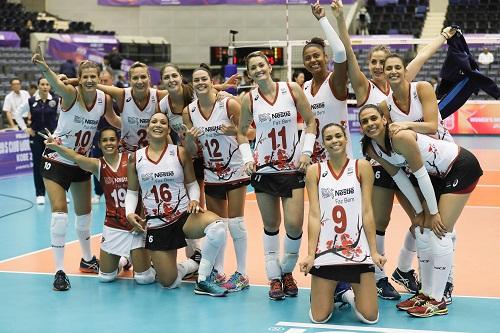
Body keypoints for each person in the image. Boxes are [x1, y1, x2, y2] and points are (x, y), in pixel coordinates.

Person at [332, 0, 457, 299]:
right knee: (381, 220)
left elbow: (422, 56)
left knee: (422, 219)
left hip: (407, 161)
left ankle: (404, 269)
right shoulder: (365, 88)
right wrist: (339, 19)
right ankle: (379, 277)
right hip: (381, 164)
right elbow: (348, 54)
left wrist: (443, 36)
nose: (377, 66)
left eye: (383, 62)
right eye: (373, 62)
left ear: (392, 67)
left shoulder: (402, 82)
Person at [358, 104, 482, 317]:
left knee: (438, 229)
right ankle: (425, 293)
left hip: (460, 166)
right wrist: (418, 212)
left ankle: (438, 299)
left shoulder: (401, 138)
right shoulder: (371, 148)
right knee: (421, 229)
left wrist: (432, 213)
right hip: (439, 176)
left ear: (384, 120)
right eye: (364, 121)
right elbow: (399, 177)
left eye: (373, 118)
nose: (370, 124)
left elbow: (421, 175)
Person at [31, 46, 120, 291]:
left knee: (84, 217)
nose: (90, 80)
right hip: (57, 159)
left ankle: (87, 259)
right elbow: (55, 84)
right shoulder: (70, 94)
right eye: (86, 77)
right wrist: (44, 67)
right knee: (60, 214)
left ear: (99, 78)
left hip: (81, 160)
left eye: (94, 76)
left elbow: (116, 122)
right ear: (79, 79)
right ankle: (59, 270)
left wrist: (139, 127)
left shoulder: (104, 99)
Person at [237, 51, 317, 300]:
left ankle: (287, 272)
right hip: (264, 172)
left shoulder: (291, 89)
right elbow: (241, 132)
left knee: (293, 226)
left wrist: (306, 151)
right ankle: (274, 277)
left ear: (269, 67)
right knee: (271, 225)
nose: (258, 69)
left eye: (262, 64)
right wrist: (248, 159)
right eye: (253, 67)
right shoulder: (248, 99)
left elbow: (312, 122)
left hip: (293, 169)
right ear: (249, 73)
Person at [125, 112, 228, 296]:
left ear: (168, 129)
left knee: (218, 227)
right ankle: (191, 265)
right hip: (157, 223)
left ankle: (203, 280)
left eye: (163, 122)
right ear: (148, 128)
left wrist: (195, 199)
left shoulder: (180, 153)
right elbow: (133, 192)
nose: (158, 125)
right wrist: (129, 213)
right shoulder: (136, 158)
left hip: (182, 216)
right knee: (169, 283)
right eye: (154, 121)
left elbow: (192, 184)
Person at [44, 127, 156, 285]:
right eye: (104, 140)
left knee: (144, 279)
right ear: (99, 144)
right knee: (105, 277)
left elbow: (146, 190)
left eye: (112, 139)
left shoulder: (131, 159)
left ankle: (153, 263)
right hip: (113, 225)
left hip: (134, 225)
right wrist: (56, 147)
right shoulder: (98, 165)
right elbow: (75, 156)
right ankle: (125, 260)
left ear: (118, 142)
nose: (109, 143)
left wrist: (144, 219)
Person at [299, 123, 385, 324]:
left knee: (370, 317)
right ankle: (336, 291)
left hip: (357, 251)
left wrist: (373, 251)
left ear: (346, 138)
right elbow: (313, 214)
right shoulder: (314, 171)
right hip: (326, 251)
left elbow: (367, 211)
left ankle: (344, 293)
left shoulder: (361, 167)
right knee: (319, 318)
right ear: (324, 143)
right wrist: (311, 254)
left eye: (338, 136)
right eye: (329, 138)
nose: (334, 141)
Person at [183, 64, 250, 292]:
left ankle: (242, 273)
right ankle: (219, 271)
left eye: (204, 79)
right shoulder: (189, 112)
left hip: (235, 168)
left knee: (237, 224)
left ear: (212, 81)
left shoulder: (228, 103)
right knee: (217, 225)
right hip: (211, 173)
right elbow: (191, 151)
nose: (201, 83)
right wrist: (190, 139)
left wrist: (233, 131)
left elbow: (250, 132)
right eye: (196, 80)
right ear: (193, 85)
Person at [303, 2, 350, 164]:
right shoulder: (305, 87)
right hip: (313, 160)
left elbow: (340, 51)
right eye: (307, 58)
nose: (312, 60)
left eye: (316, 55)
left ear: (325, 57)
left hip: (339, 158)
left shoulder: (335, 81)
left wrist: (323, 19)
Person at [95, 62, 165, 152]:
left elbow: (184, 91)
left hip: (153, 152)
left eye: (143, 77)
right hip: (127, 152)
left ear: (149, 78)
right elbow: (92, 84)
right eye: (135, 78)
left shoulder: (159, 95)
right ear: (129, 80)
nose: (140, 81)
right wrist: (126, 125)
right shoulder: (122, 94)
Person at [13, 78, 60, 205]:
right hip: (36, 138)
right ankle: (40, 193)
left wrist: (59, 132)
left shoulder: (56, 100)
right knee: (38, 165)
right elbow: (17, 113)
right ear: (38, 86)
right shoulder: (31, 101)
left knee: (56, 164)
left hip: (52, 138)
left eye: (47, 84)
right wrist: (25, 129)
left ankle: (59, 193)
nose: (45, 87)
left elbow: (64, 116)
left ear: (50, 87)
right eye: (42, 84)